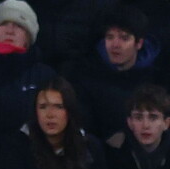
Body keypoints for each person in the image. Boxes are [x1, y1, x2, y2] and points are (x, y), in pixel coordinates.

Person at [71, 5, 166, 144]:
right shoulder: (87, 77)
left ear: (139, 43)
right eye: (110, 37)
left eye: (124, 38)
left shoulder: (156, 79)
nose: (115, 44)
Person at [0, 0, 54, 147]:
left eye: (19, 26)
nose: (10, 30)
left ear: (28, 37)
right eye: (3, 24)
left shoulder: (45, 76)